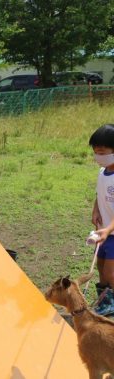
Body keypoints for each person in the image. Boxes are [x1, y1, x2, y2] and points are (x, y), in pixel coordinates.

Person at [87, 124, 114, 316]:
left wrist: (108, 229)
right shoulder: (102, 173)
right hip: (104, 232)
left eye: (102, 152)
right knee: (100, 266)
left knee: (111, 272)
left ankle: (110, 302)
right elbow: (99, 194)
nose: (98, 156)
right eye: (95, 152)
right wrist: (96, 210)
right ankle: (104, 299)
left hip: (111, 232)